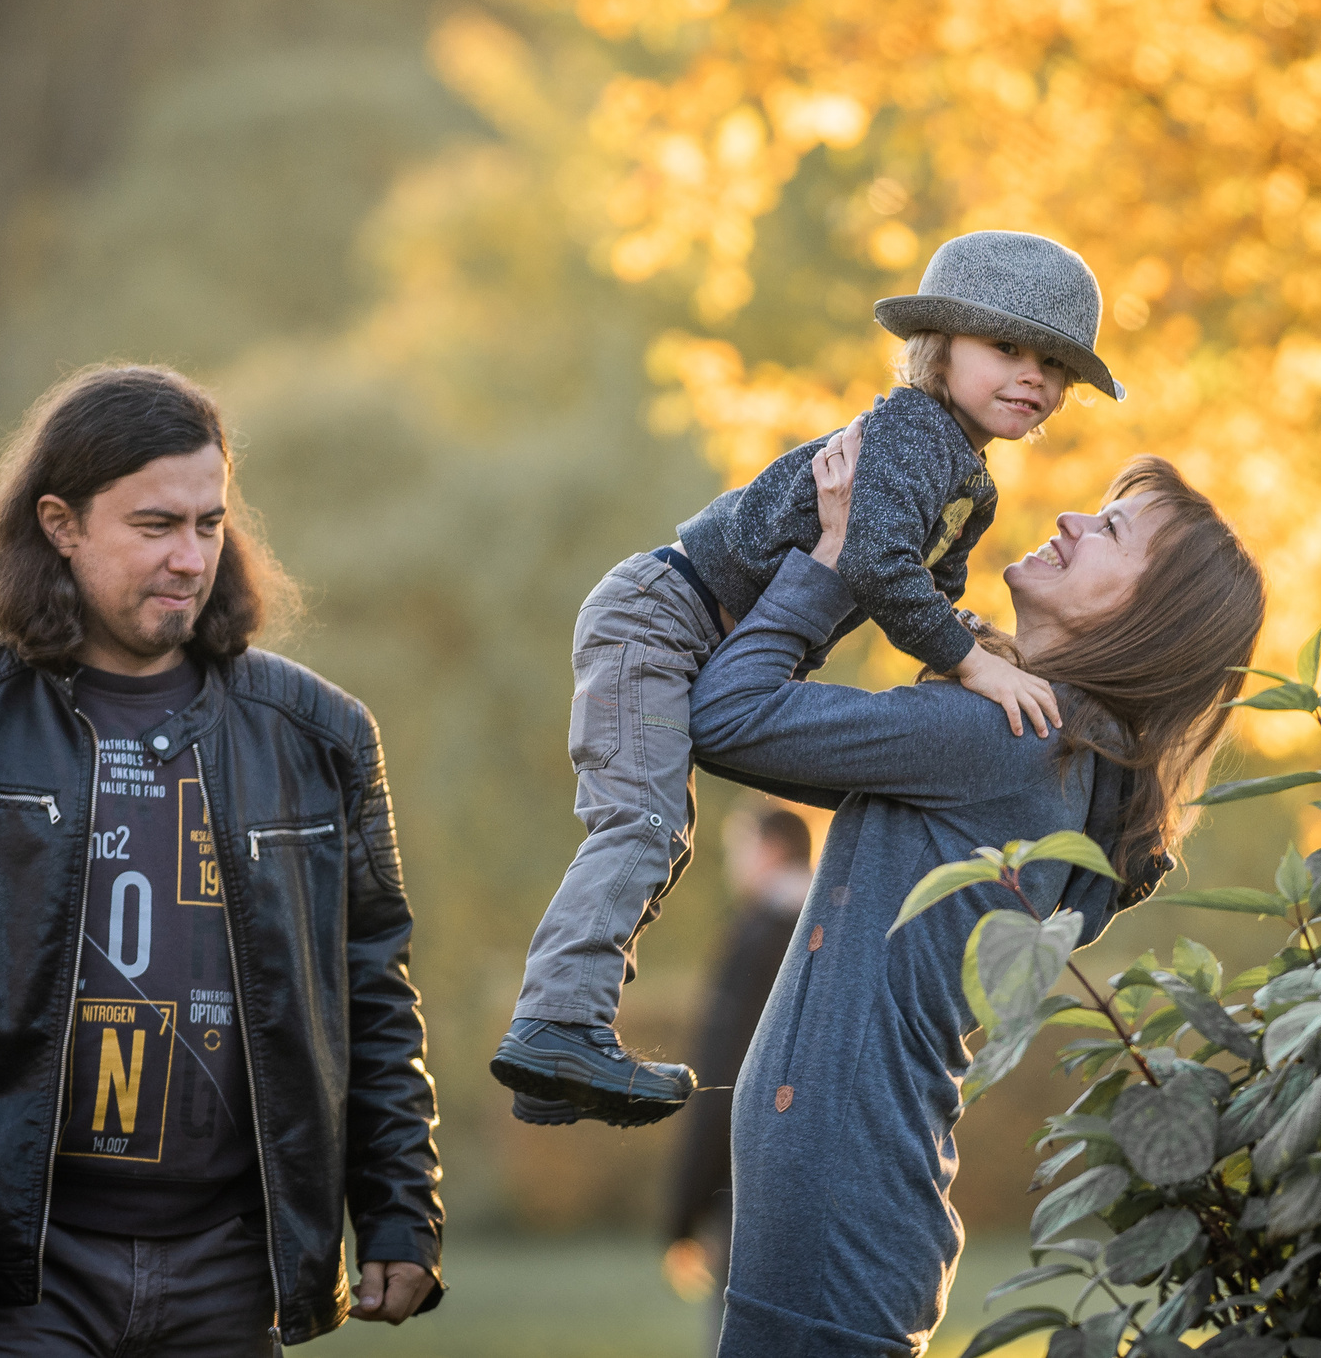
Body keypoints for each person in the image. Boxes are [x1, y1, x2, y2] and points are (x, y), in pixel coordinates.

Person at [0, 365, 443, 1353]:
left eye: (208, 523)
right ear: (60, 523)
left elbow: (372, 994)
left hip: (231, 1268)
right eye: (155, 525)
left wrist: (401, 1205)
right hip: (17, 1274)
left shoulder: (319, 734)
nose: (190, 557)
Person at [491, 230, 1128, 1128]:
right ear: (940, 350)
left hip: (700, 634)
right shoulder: (914, 431)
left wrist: (972, 659)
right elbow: (875, 562)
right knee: (639, 817)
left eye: (1055, 363)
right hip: (664, 614)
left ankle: (550, 1062)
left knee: (660, 831)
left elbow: (932, 587)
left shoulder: (967, 479)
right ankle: (558, 1025)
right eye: (1008, 349)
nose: (1034, 375)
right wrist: (970, 661)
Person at [689, 430, 1267, 1357]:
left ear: (1146, 618)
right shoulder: (1044, 750)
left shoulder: (1009, 740)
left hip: (838, 1227)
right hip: (853, 1221)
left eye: (1112, 530)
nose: (1073, 519)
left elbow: (726, 717)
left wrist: (836, 564)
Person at [663, 805, 816, 1352]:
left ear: (771, 848)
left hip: (750, 1187)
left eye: (738, 850)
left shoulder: (756, 937)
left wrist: (683, 1215)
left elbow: (723, 1078)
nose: (733, 865)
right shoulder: (844, 927)